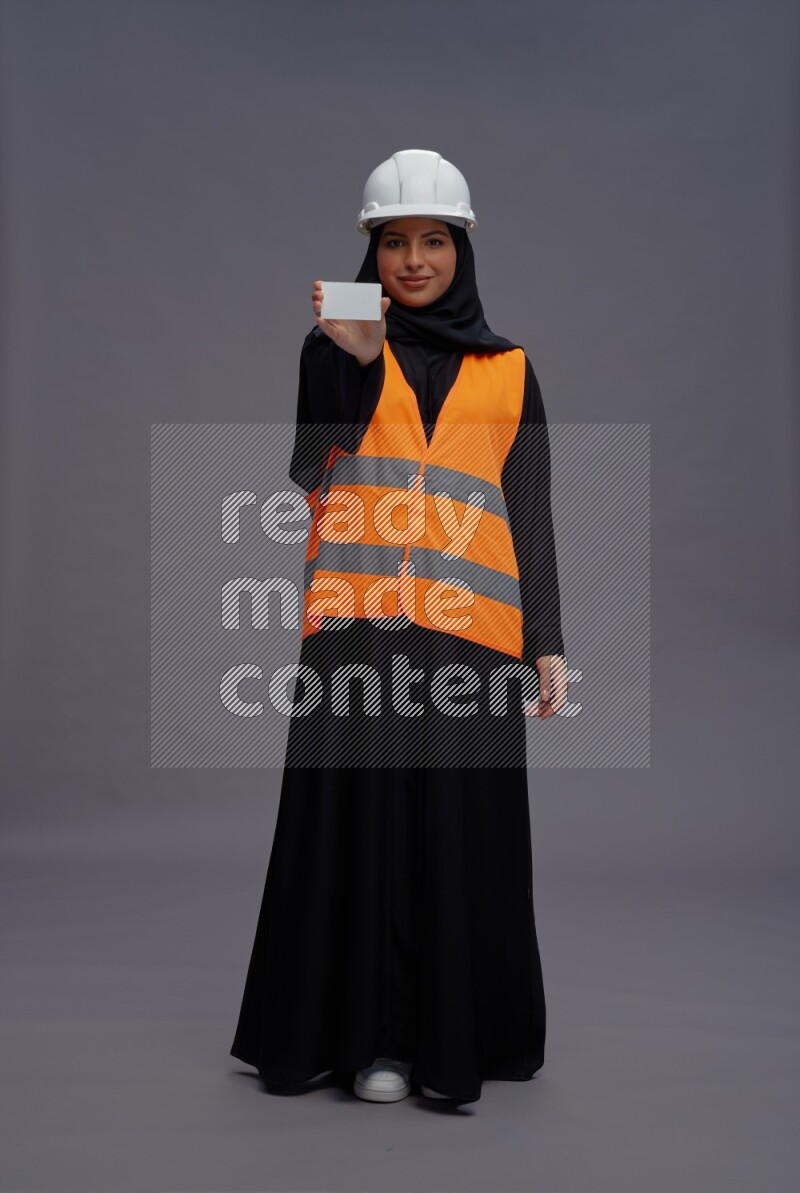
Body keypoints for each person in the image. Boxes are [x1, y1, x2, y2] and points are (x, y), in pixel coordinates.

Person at [229, 149, 568, 1105]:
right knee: (362, 829)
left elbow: (528, 507)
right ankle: (369, 1041)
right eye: (392, 242)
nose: (412, 259)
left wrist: (547, 640)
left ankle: (454, 1042)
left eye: (431, 240)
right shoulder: (334, 342)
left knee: (464, 837)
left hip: (475, 639)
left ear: (460, 247)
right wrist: (358, 362)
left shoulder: (510, 369)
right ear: (369, 250)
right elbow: (312, 469)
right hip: (360, 632)